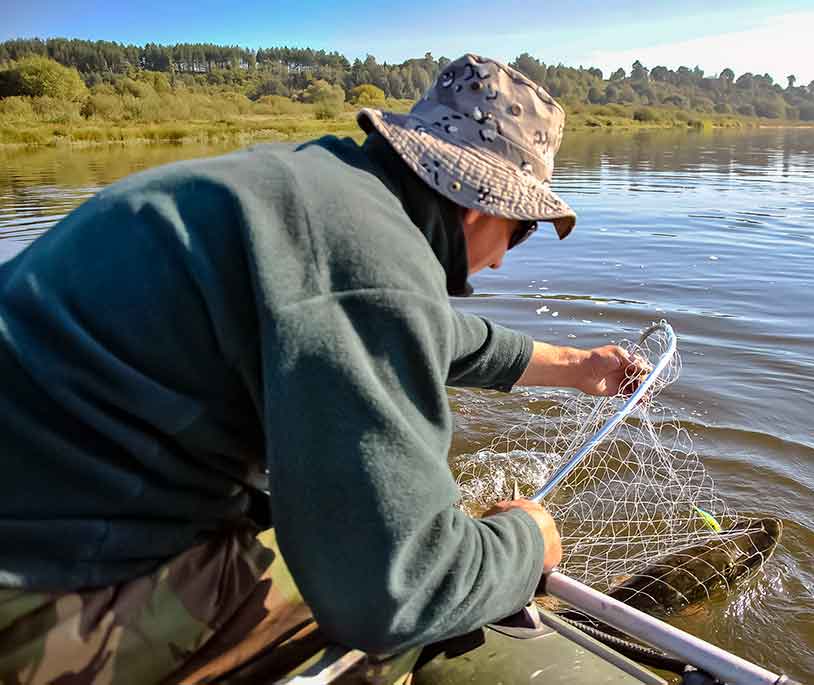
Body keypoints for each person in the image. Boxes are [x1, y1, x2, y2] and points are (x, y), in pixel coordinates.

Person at [0, 54, 642, 683]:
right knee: (393, 610)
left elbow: (422, 332)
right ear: (482, 203)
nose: (503, 262)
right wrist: (527, 539)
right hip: (35, 589)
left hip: (46, 508)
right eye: (523, 230)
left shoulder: (321, 188)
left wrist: (578, 367)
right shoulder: (372, 258)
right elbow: (395, 592)